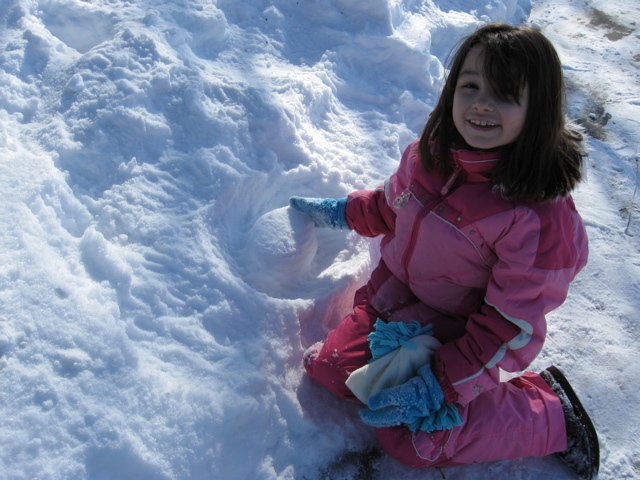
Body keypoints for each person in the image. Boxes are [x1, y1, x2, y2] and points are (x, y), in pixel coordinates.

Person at [289, 23, 600, 480]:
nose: (481, 104)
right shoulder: (428, 156)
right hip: (396, 303)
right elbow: (391, 206)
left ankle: (549, 413)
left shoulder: (537, 219)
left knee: (413, 441)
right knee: (332, 371)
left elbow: (506, 327)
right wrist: (343, 212)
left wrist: (440, 383)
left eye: (505, 94)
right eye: (471, 86)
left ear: (539, 111)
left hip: (465, 335)